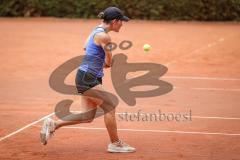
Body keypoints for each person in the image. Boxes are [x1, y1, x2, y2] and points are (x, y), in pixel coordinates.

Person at [40, 6, 136, 153]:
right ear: (115, 21)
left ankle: (53, 125)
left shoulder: (96, 30)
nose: (122, 24)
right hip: (88, 78)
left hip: (87, 76)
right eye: (121, 21)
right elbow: (109, 62)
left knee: (87, 116)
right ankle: (115, 144)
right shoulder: (105, 37)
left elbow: (86, 47)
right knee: (110, 105)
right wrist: (107, 62)